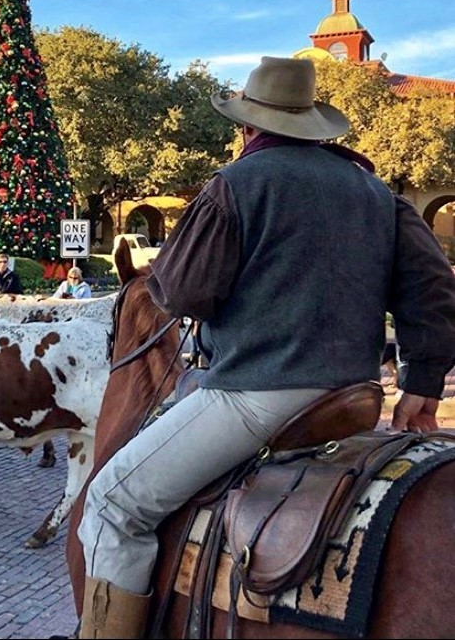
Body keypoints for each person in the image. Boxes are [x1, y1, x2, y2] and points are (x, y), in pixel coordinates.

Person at [76, 56, 455, 639]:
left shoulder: (237, 183)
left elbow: (181, 292)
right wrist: (423, 384)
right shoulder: (379, 193)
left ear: (249, 127)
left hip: (256, 396)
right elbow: (432, 290)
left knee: (111, 504)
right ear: (310, 123)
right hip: (354, 398)